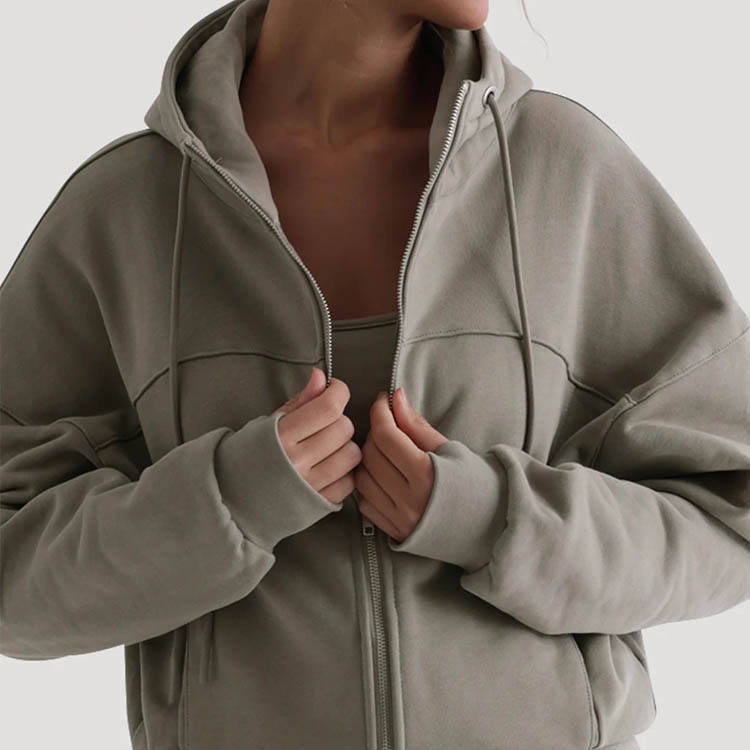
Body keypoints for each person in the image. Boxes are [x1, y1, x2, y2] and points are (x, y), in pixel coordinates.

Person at [1, 0, 748, 748]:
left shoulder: (563, 170)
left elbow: (730, 514)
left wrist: (497, 521)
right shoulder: (126, 207)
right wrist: (227, 504)